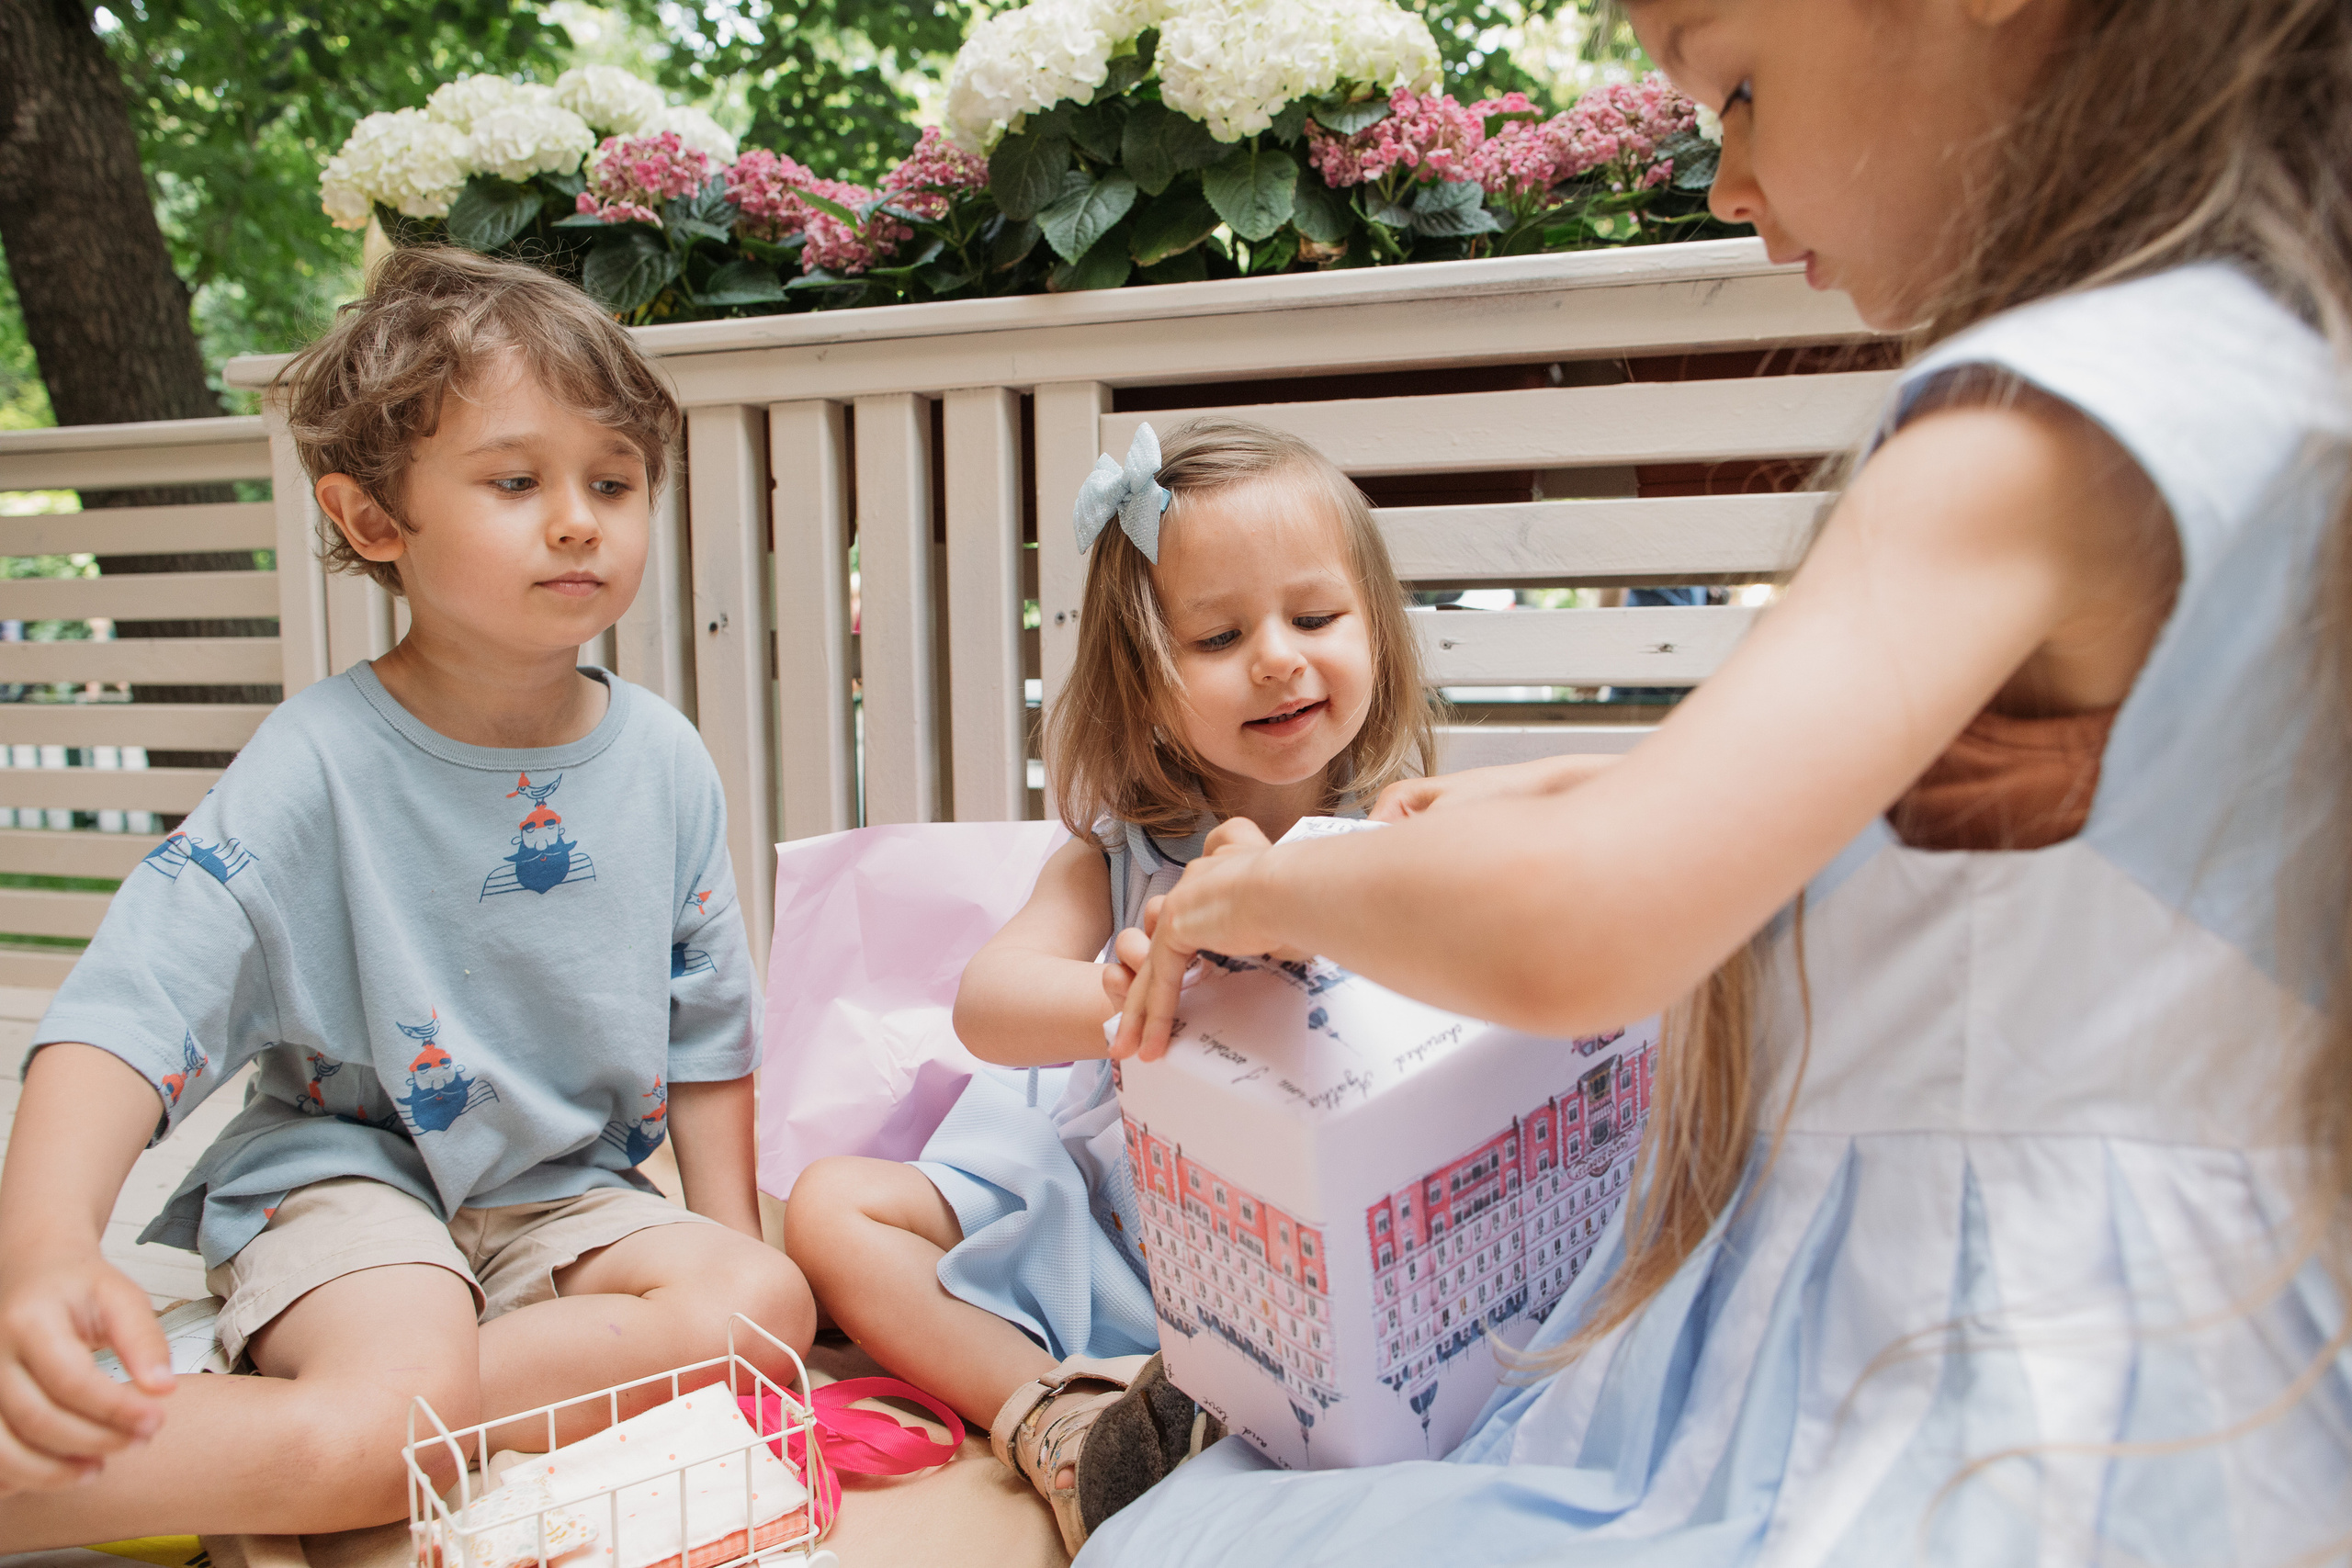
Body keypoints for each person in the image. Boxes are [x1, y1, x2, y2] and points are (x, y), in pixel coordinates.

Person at [1089, 0, 2352, 1562]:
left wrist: (1262, 882)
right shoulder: (2254, 366)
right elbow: (2005, 852)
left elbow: (1589, 923)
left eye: (1737, 85)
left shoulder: (2049, 410)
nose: (1725, 180)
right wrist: (1563, 789)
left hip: (1985, 1395)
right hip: (2191, 1362)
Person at [0, 247, 814, 1544]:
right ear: (376, 520)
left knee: (766, 1304)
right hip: (350, 1176)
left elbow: (707, 1026)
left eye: (614, 479)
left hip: (568, 1197)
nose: (578, 518)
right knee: (396, 1417)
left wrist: (734, 1271)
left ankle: (348, 1413)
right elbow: (130, 1004)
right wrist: (40, 1247)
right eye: (515, 480)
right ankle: (74, 1459)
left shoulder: (664, 757)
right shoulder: (315, 760)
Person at [786, 418, 1438, 1553]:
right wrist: (1129, 993)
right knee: (828, 1209)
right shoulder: (1124, 850)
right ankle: (1057, 1420)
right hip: (1101, 1206)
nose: (1278, 656)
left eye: (1316, 618)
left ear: (1374, 630)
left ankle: (1197, 1411)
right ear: (1143, 682)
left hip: (1285, 1248)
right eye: (1219, 634)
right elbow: (986, 1003)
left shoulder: (1398, 836)